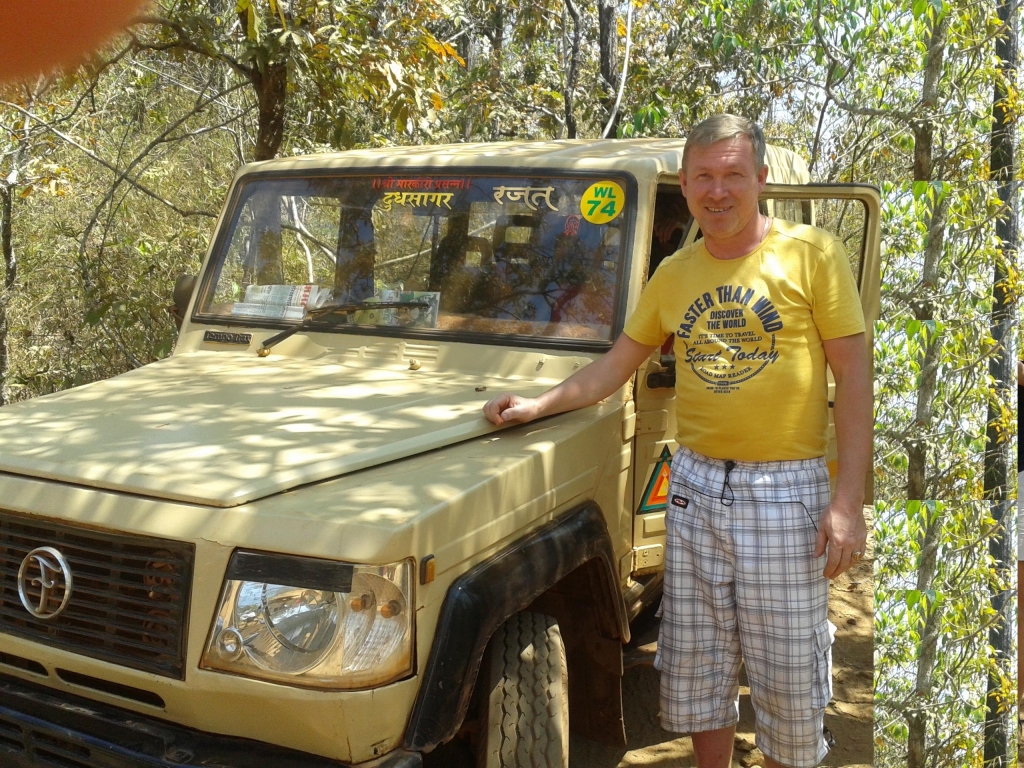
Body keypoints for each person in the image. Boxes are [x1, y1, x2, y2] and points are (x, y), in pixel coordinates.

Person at [482, 114, 871, 768]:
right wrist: (537, 405)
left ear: (760, 179)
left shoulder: (813, 255)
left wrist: (847, 501)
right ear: (686, 185)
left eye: (733, 175)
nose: (718, 191)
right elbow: (616, 365)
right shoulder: (673, 274)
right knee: (698, 662)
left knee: (787, 670)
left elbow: (854, 376)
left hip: (784, 488)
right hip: (693, 485)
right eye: (704, 177)